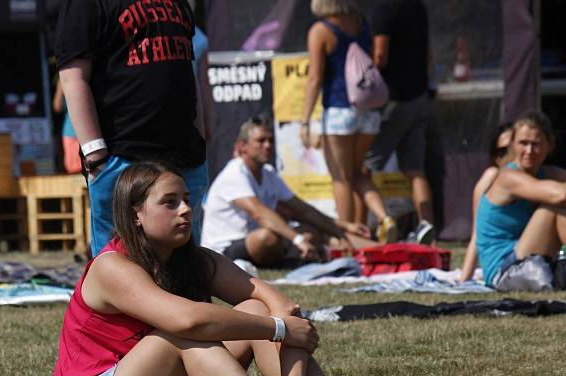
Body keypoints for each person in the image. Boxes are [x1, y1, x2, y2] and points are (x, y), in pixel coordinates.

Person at [40, 161, 412, 376]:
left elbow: (280, 306)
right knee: (180, 336)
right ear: (135, 215)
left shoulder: (196, 260)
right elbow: (189, 321)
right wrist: (278, 330)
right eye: (169, 203)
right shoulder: (111, 267)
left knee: (253, 308)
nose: (186, 209)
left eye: (187, 199)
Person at [55, 0, 207, 256]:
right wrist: (96, 156)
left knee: (185, 265)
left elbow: (188, 73)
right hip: (122, 157)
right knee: (118, 268)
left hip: (184, 156)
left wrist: (200, 139)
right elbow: (73, 78)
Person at [201, 117, 374, 268]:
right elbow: (260, 214)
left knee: (310, 230)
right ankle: (297, 255)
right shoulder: (234, 173)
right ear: (243, 146)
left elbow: (304, 210)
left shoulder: (268, 172)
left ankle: (380, 250)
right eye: (261, 141)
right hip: (222, 252)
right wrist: (297, 240)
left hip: (261, 244)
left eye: (270, 140)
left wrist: (344, 226)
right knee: (268, 238)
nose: (268, 145)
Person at [302, 0, 398, 244]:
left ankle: (343, 239)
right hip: (368, 109)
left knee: (341, 178)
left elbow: (315, 78)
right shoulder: (362, 22)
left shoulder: (321, 30)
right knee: (356, 173)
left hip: (339, 111)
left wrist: (304, 121)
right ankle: (385, 217)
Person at [364, 0, 436, 244]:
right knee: (415, 169)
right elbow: (429, 55)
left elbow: (380, 55)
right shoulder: (416, 6)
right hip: (419, 96)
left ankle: (372, 225)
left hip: (393, 101)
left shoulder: (383, 9)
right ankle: (427, 225)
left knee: (362, 168)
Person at [475, 111, 566, 291]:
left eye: (536, 144)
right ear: (513, 145)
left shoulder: (547, 173)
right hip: (503, 271)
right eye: (523, 143)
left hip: (529, 260)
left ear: (550, 145)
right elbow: (560, 195)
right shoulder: (509, 177)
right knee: (554, 208)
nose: (529, 151)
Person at [458, 122, 514, 282]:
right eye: (502, 151)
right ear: (494, 156)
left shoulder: (537, 176)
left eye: (512, 149)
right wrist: (464, 279)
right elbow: (478, 232)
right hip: (504, 263)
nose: (508, 156)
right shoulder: (491, 176)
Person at [52, 78, 82, 174]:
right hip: (73, 131)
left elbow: (57, 106)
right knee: (77, 168)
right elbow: (58, 106)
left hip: (73, 130)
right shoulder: (63, 78)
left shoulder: (63, 78)